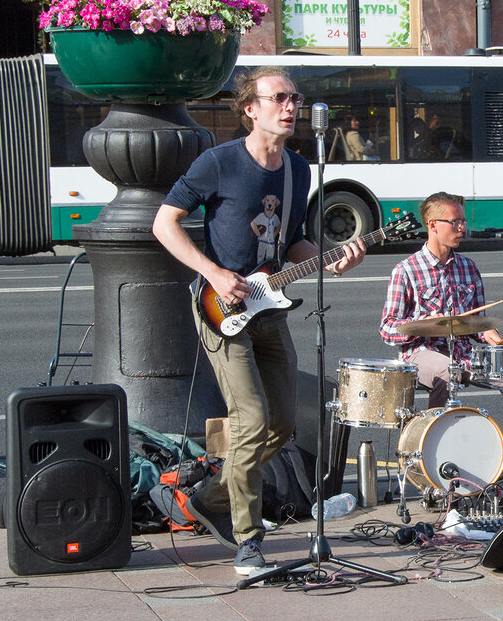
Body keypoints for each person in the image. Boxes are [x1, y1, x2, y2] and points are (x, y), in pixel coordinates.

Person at [153, 67, 367, 575]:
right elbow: (165, 222)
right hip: (220, 307)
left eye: (295, 98)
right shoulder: (218, 163)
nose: (290, 106)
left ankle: (208, 497)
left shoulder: (297, 169)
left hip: (269, 305)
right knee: (249, 419)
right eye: (279, 98)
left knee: (284, 422)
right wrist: (213, 272)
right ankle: (248, 540)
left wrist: (331, 257)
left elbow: (291, 242)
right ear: (251, 108)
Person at [380, 192, 503, 465]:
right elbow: (386, 329)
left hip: (465, 353)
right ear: (432, 225)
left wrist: (486, 332)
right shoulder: (405, 270)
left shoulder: (469, 267)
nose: (462, 228)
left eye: (463, 221)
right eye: (455, 222)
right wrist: (425, 327)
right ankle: (431, 461)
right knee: (448, 372)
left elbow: (477, 320)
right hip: (421, 353)